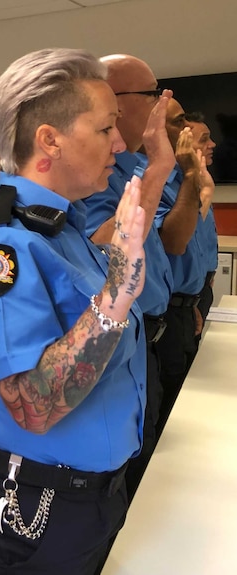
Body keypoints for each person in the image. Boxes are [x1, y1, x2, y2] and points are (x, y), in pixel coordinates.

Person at [0, 48, 147, 575]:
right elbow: (34, 405)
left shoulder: (63, 228)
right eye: (106, 129)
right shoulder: (4, 249)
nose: (121, 144)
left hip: (85, 493)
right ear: (49, 140)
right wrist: (119, 290)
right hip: (31, 501)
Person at [83, 53, 176, 500]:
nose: (160, 105)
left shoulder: (132, 163)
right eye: (152, 95)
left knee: (148, 469)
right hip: (114, 349)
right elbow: (102, 244)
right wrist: (159, 168)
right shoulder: (94, 172)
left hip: (149, 336)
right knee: (129, 485)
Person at [150, 98, 210, 435]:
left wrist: (193, 300)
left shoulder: (178, 176)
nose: (186, 130)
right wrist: (191, 177)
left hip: (181, 306)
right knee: (163, 421)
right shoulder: (154, 177)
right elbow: (174, 243)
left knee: (178, 404)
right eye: (178, 121)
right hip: (163, 315)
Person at [185, 112, 218, 325]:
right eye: (204, 139)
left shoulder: (202, 180)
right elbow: (184, 239)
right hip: (185, 298)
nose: (212, 144)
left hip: (202, 289)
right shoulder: (180, 191)